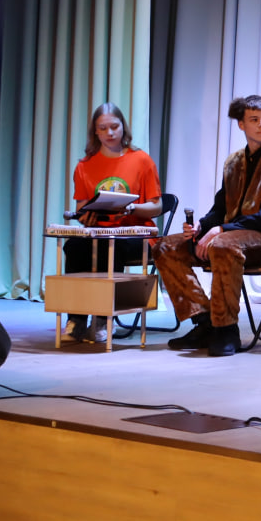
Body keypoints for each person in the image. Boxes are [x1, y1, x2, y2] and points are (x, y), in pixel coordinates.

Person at [152, 95, 261, 357]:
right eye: (254, 120)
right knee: (166, 247)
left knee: (223, 245)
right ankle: (205, 322)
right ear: (241, 125)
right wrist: (201, 226)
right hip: (236, 236)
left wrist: (222, 230)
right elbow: (220, 209)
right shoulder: (234, 162)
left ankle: (226, 329)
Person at [63, 103, 163, 343]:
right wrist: (85, 216)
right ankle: (76, 318)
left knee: (111, 246)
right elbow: (82, 208)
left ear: (123, 128)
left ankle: (103, 317)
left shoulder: (141, 160)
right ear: (95, 132)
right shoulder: (85, 166)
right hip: (99, 232)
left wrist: (132, 207)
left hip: (135, 235)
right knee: (73, 246)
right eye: (103, 128)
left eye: (114, 127)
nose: (109, 133)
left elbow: (157, 206)